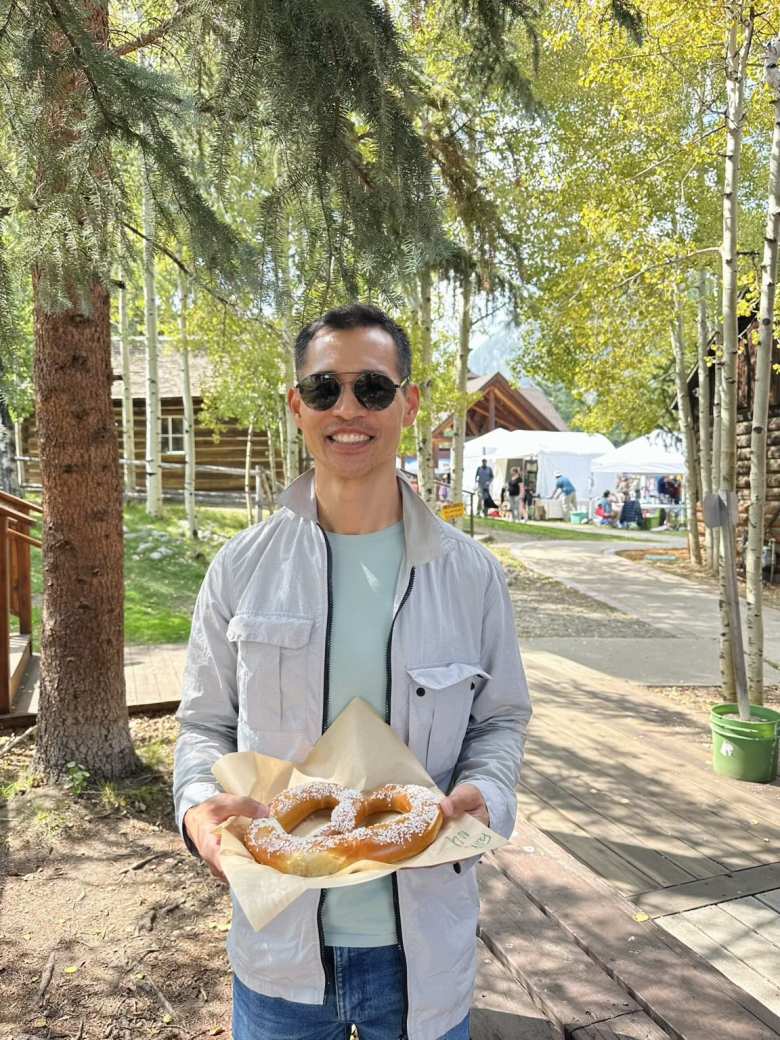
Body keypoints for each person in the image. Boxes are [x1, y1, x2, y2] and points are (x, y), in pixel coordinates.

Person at [173, 303, 532, 1040]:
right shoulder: (240, 569)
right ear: (296, 404)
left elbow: (500, 718)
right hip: (279, 955)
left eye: (371, 387)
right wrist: (198, 812)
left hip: (423, 954)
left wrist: (489, 792)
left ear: (409, 403)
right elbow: (204, 725)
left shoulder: (471, 575)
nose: (347, 409)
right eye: (324, 388)